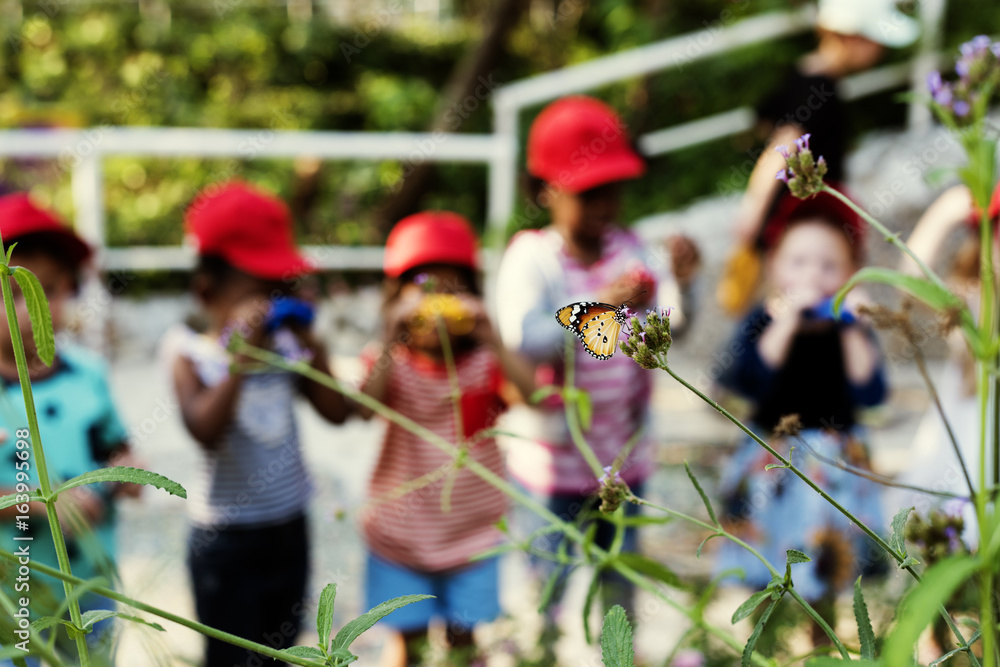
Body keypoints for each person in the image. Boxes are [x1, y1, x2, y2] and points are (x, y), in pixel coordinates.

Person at [495, 95, 688, 623]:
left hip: (625, 459)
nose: (604, 206)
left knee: (621, 577)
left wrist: (674, 289)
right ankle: (541, 652)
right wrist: (596, 308)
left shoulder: (633, 250)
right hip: (552, 465)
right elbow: (525, 338)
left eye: (613, 192)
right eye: (589, 193)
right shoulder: (532, 258)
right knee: (546, 585)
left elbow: (669, 324)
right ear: (544, 192)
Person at [169, 182, 349, 667]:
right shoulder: (189, 353)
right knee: (230, 656)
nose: (272, 306)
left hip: (289, 526)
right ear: (207, 291)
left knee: (282, 649)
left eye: (282, 289)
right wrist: (239, 361)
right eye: (260, 293)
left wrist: (317, 347)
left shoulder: (289, 347)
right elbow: (205, 429)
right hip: (225, 540)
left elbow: (337, 412)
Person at [356, 211, 535, 667]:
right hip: (401, 536)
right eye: (423, 288)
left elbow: (532, 395)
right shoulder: (390, 362)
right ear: (396, 298)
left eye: (452, 289)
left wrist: (493, 338)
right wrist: (387, 337)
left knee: (466, 644)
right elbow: (363, 408)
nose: (437, 302)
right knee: (406, 646)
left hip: (474, 537)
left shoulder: (484, 363)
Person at [713, 190, 888, 638]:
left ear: (850, 275)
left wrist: (855, 326)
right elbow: (747, 382)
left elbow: (870, 391)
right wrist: (784, 323)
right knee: (763, 563)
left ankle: (822, 638)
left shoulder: (847, 329)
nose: (813, 275)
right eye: (799, 263)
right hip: (773, 457)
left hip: (833, 462)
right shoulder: (763, 321)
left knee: (828, 563)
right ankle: (762, 639)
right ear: (774, 268)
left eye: (830, 266)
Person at [0, 193, 142, 666]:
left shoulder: (88, 374)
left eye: (49, 290)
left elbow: (118, 447)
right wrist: (39, 506)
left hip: (90, 578)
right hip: (14, 589)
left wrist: (126, 476)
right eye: (14, 292)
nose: (31, 309)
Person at [717, 0, 919, 315]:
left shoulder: (800, 72)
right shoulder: (820, 88)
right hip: (799, 222)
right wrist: (754, 209)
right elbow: (784, 145)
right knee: (792, 306)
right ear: (852, 37)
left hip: (790, 218)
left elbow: (763, 118)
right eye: (874, 41)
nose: (879, 51)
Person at [885, 182, 1000, 549]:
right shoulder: (971, 297)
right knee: (950, 524)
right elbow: (912, 281)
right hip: (965, 435)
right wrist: (946, 212)